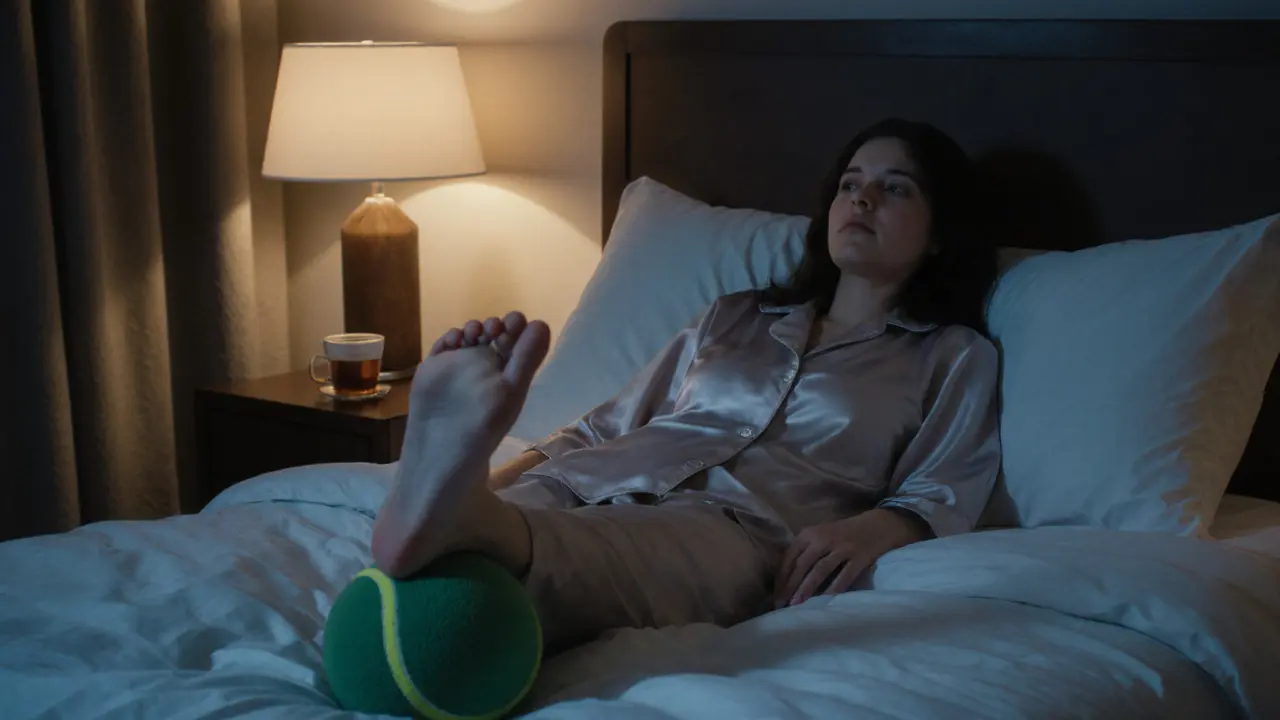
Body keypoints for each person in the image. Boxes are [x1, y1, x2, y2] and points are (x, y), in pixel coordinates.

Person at [371, 118, 1002, 652]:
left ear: (940, 233)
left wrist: (875, 528)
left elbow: (941, 489)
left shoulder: (951, 354)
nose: (862, 200)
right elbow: (604, 428)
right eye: (849, 184)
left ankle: (465, 517)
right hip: (599, 476)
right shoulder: (735, 315)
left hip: (738, 528)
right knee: (533, 510)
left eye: (894, 189)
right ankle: (467, 501)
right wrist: (502, 475)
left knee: (610, 556)